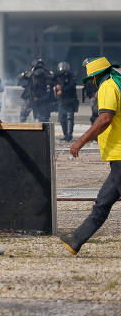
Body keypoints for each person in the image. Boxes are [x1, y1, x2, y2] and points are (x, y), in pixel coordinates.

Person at [60, 57, 121, 256]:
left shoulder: (108, 87)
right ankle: (76, 240)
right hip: (117, 157)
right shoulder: (116, 83)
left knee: (102, 203)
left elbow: (104, 119)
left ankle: (77, 239)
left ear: (95, 77)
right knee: (103, 202)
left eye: (91, 79)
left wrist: (80, 141)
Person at [54, 61, 79, 142]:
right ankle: (65, 134)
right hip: (61, 101)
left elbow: (71, 86)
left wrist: (62, 90)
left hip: (70, 100)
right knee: (62, 119)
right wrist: (56, 86)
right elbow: (51, 81)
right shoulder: (57, 76)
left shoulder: (71, 76)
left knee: (69, 118)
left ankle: (69, 135)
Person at [82, 57, 100, 125]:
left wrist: (97, 93)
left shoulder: (97, 75)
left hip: (96, 96)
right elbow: (87, 86)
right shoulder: (89, 76)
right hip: (92, 97)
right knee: (94, 114)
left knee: (96, 114)